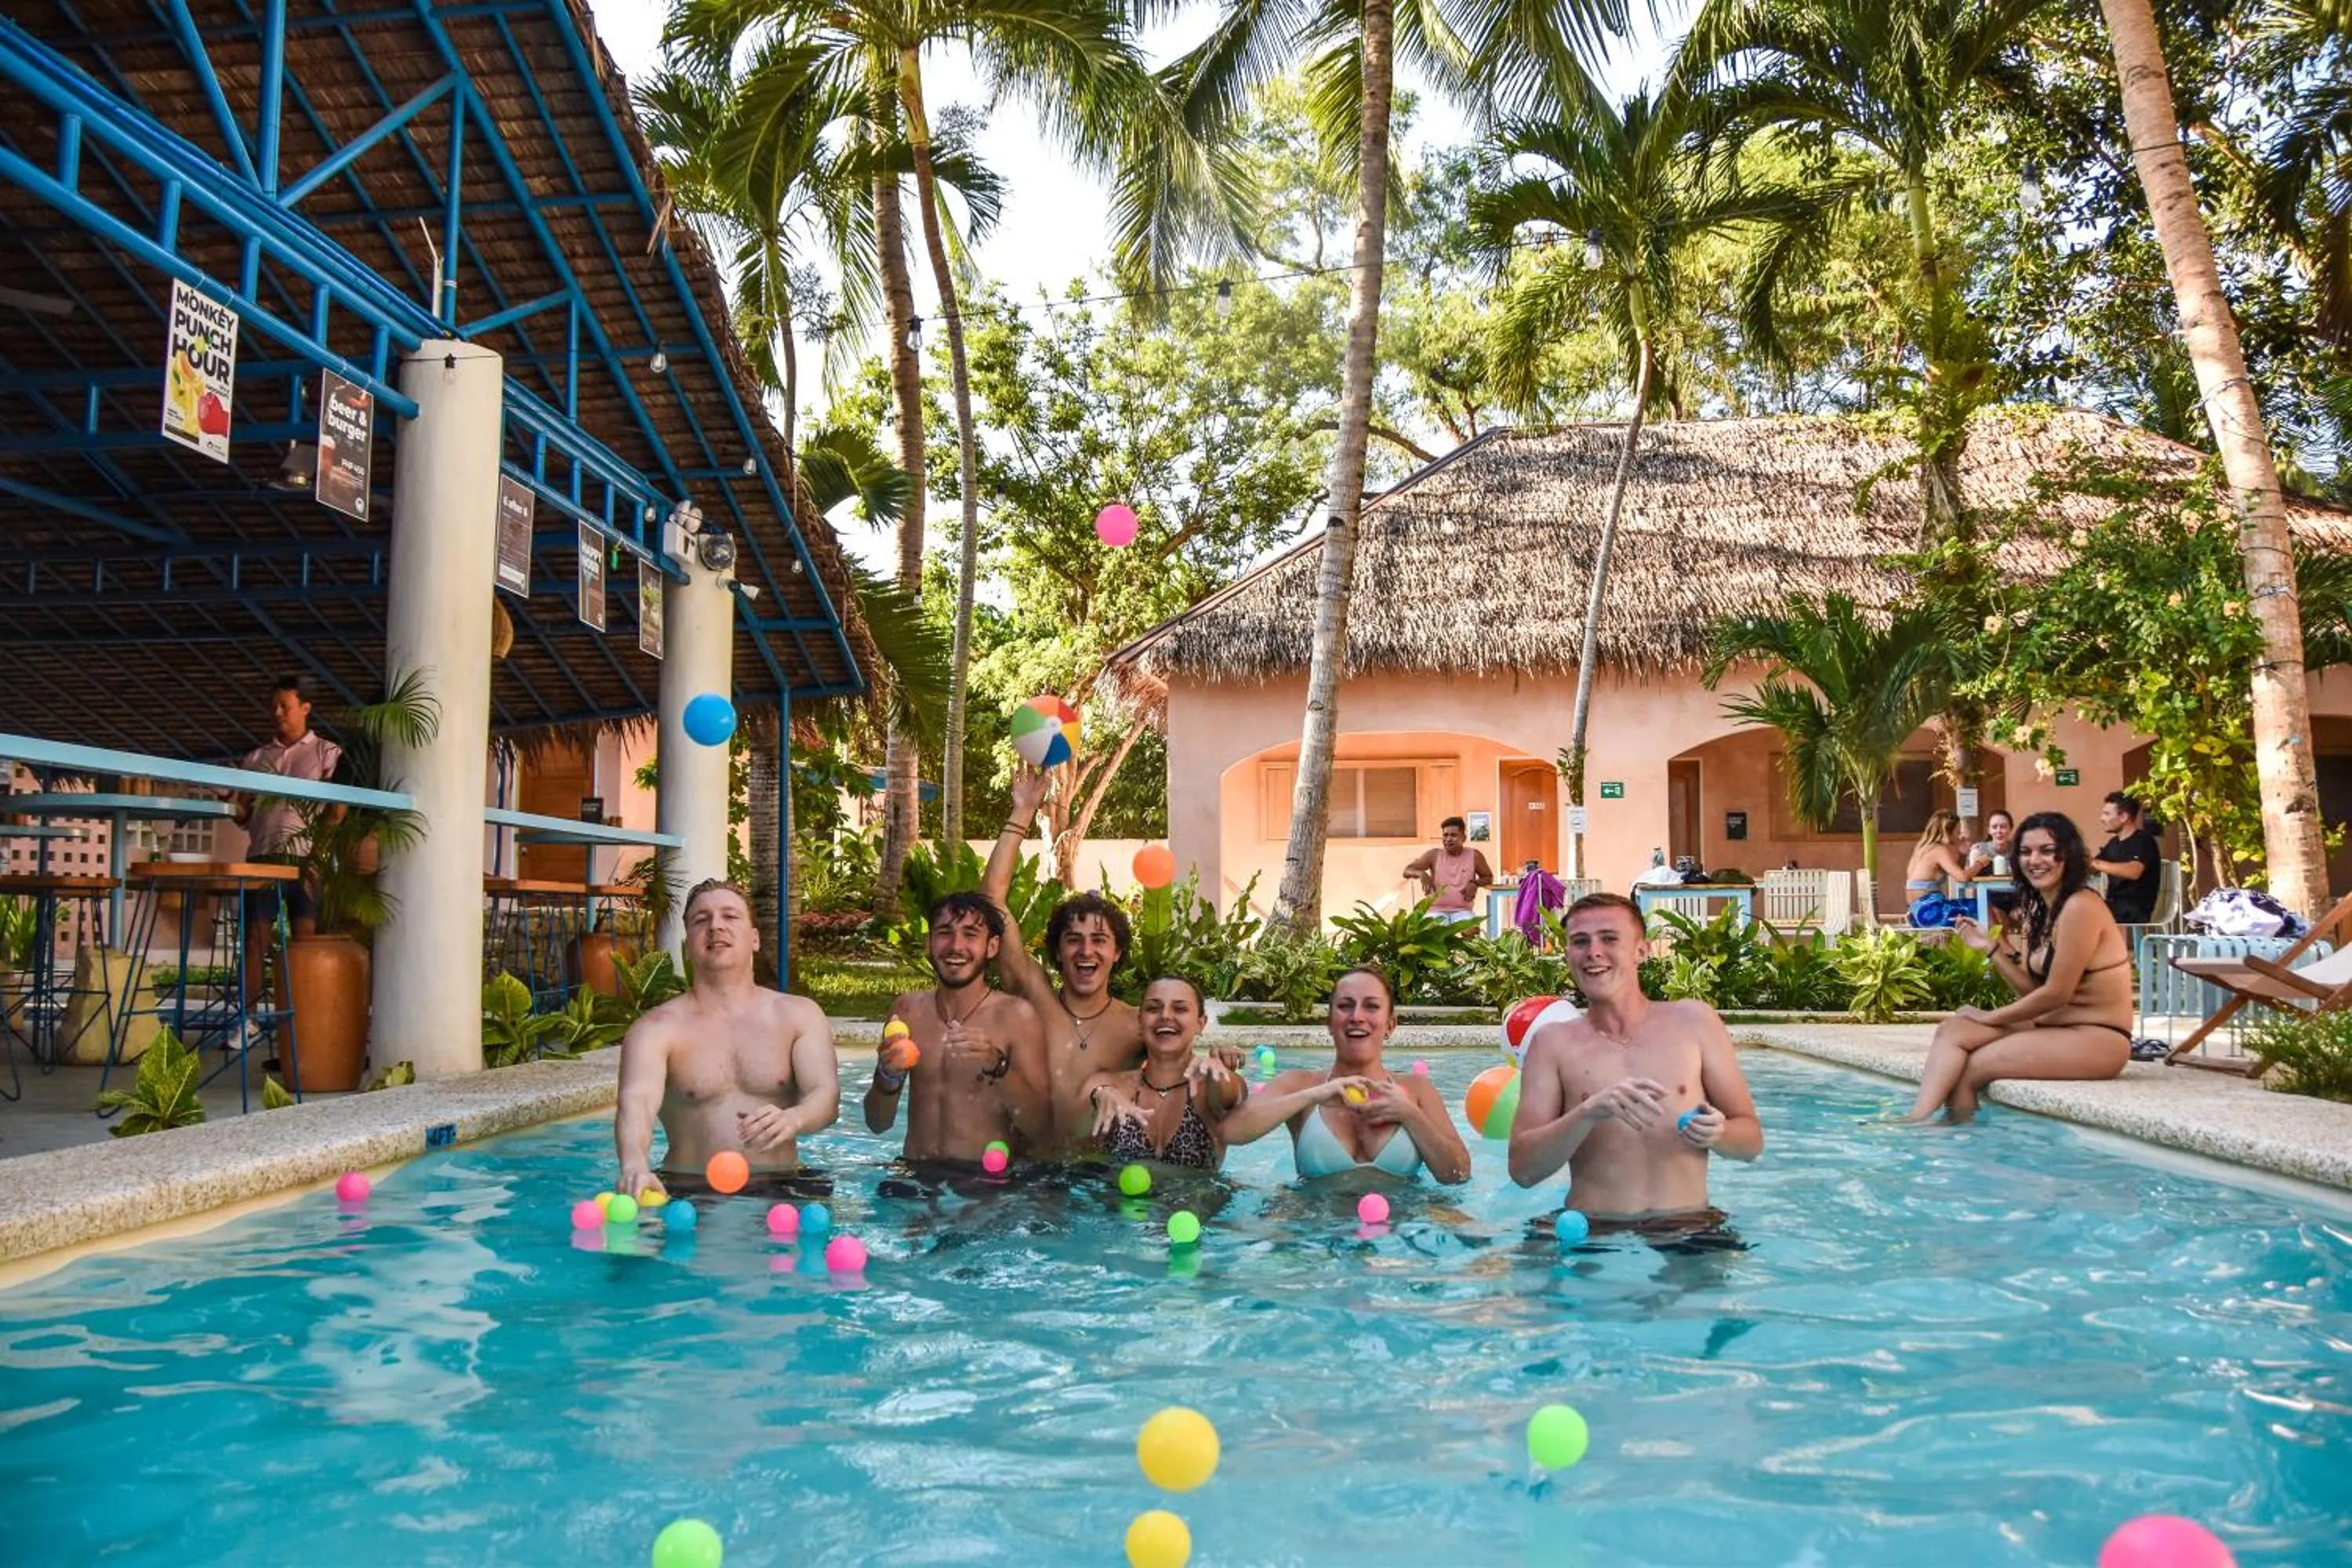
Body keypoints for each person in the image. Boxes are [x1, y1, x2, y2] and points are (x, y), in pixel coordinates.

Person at [982, 766, 1242, 1151]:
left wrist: (1222, 1059)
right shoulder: (1033, 997)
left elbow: (1183, 1069)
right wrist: (1022, 812)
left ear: (1116, 952)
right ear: (1058, 952)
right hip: (1029, 1171)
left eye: (1099, 940)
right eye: (1074, 940)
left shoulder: (1136, 1025)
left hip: (1098, 1175)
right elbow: (991, 903)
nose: (1086, 951)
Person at [1508, 893, 1763, 1224]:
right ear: (1568, 955)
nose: (1593, 952)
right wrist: (1587, 1112)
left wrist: (1720, 1134)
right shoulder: (1552, 1043)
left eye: (1609, 939)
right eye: (1580, 941)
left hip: (1688, 1225)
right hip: (1591, 1228)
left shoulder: (1695, 1023)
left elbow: (1751, 1143)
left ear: (1641, 951)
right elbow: (1523, 1171)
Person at [1902, 812, 2132, 1123]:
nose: (2034, 860)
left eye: (2047, 851)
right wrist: (1991, 948)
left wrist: (1990, 1016)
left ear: (2068, 855)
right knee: (1953, 1030)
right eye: (2025, 852)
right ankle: (1919, 1120)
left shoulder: (2081, 906)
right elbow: (2031, 991)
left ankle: (1943, 1132)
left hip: (2098, 1038)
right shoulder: (2044, 911)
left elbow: (2056, 994)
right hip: (2057, 1026)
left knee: (1971, 1068)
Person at [615, 880, 840, 1197]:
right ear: (688, 944)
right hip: (689, 1191)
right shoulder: (655, 1029)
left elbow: (826, 1096)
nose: (715, 926)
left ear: (755, 938)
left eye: (730, 916)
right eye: (701, 920)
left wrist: (795, 1118)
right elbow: (637, 1102)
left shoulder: (799, 1016)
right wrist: (634, 1165)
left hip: (781, 1187)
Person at [1223, 967, 1472, 1184]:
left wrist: (1410, 1114)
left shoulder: (1417, 1089)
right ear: (1330, 1023)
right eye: (1345, 1006)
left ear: (1390, 1025)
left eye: (1371, 1006)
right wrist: (1316, 1095)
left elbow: (1458, 1174)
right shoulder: (1300, 1084)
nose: (1357, 1017)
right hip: (1316, 1221)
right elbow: (1231, 1132)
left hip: (1402, 1220)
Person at [863, 891, 1051, 1163]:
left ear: (992, 947)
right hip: (915, 1175)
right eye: (944, 933)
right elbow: (877, 1123)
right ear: (929, 942)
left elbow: (1041, 1128)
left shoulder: (1015, 1016)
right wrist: (887, 1077)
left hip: (984, 1179)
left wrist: (997, 1066)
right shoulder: (907, 1011)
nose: (955, 945)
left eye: (970, 934)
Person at [231, 676, 341, 1030]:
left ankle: (307, 1025)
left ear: (305, 708)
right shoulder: (256, 757)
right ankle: (246, 1023)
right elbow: (242, 816)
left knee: (305, 944)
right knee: (254, 941)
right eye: (274, 706)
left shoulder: (327, 753)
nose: (277, 712)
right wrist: (233, 804)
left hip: (307, 860)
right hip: (262, 858)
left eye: (285, 706)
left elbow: (337, 812)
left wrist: (318, 857)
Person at [1080, 976, 1246, 1170]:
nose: (1166, 1016)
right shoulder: (1113, 1088)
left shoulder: (1210, 1088)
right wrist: (1098, 1093)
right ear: (1140, 1022)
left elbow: (1231, 1096)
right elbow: (1075, 1104)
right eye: (1153, 1008)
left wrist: (1219, 1070)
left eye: (1180, 1009)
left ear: (1201, 1024)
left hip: (1200, 1191)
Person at [2092, 791, 2164, 927]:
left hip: (2133, 910)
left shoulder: (2143, 840)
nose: (2102, 819)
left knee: (2081, 913)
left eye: (2107, 814)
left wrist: (2096, 864)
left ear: (2124, 817)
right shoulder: (2113, 843)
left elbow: (2133, 871)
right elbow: (2093, 867)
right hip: (2114, 906)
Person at [1403, 817, 1493, 924]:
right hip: (1435, 911)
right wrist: (1421, 874)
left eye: (1453, 835)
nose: (1448, 839)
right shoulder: (1434, 855)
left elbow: (1489, 877)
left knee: (1471, 930)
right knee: (1433, 928)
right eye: (1445, 835)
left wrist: (1475, 883)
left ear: (1463, 838)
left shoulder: (1474, 856)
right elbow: (1407, 870)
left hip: (1463, 911)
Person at [1902, 809, 1975, 922]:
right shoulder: (1939, 850)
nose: (1960, 836)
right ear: (1948, 832)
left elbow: (1957, 869)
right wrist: (1981, 862)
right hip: (1929, 911)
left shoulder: (1924, 848)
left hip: (1917, 913)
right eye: (1958, 832)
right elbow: (1962, 877)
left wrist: (1961, 851)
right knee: (1980, 906)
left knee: (1975, 908)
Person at [1964, 810, 2016, 878]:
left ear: (2011, 829)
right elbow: (1967, 877)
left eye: (2003, 827)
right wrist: (1975, 862)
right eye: (1994, 827)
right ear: (1989, 830)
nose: (1999, 831)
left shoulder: (2017, 850)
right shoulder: (1979, 849)